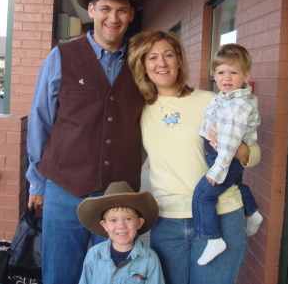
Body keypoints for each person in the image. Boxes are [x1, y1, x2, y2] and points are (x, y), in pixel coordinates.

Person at [25, 0, 150, 284]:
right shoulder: (62, 57)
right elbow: (41, 118)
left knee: (112, 277)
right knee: (60, 275)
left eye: (122, 9)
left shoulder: (141, 62)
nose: (113, 17)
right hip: (65, 189)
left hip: (119, 196)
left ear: (131, 14)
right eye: (105, 8)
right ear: (91, 10)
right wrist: (37, 183)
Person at [128, 30, 261, 284]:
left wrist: (238, 149)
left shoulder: (213, 101)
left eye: (168, 55)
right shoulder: (141, 111)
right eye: (152, 57)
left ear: (179, 60)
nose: (162, 63)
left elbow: (254, 156)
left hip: (222, 216)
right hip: (167, 222)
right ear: (144, 66)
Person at [193, 43, 263, 266]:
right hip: (223, 157)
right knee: (238, 184)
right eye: (221, 72)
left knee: (203, 195)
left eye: (233, 72)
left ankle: (213, 239)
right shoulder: (226, 97)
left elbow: (230, 144)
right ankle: (253, 213)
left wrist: (217, 170)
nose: (227, 78)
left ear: (246, 75)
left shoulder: (238, 106)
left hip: (224, 159)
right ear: (214, 75)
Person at [76, 181, 165, 284]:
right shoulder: (94, 255)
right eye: (113, 220)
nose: (121, 226)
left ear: (139, 223)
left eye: (127, 219)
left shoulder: (150, 259)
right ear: (104, 225)